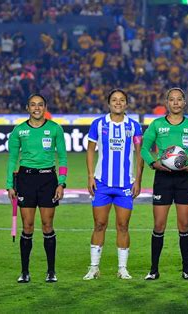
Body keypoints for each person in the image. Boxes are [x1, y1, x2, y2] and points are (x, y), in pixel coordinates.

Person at [141, 87, 188, 280]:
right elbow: (145, 148)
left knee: (184, 225)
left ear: (184, 102)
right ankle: (154, 270)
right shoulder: (157, 125)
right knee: (159, 224)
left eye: (179, 99)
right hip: (163, 178)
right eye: (172, 99)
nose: (176, 103)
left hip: (184, 178)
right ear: (167, 103)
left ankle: (186, 270)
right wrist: (154, 164)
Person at [83, 89, 144, 281]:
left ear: (126, 104)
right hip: (102, 183)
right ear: (109, 103)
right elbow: (90, 151)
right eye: (114, 100)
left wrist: (138, 181)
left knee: (123, 226)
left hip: (125, 185)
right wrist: (91, 176)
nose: (118, 103)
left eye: (122, 100)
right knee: (99, 224)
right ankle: (94, 268)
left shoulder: (134, 126)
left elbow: (139, 154)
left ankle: (122, 269)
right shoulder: (98, 124)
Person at [6, 94, 67, 283]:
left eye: (40, 105)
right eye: (33, 105)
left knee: (47, 226)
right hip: (25, 180)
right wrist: (10, 185)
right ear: (27, 108)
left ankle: (51, 271)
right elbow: (12, 160)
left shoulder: (55, 129)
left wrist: (61, 182)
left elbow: (63, 159)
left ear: (45, 107)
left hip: (48, 179)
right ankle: (25, 272)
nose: (36, 108)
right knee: (28, 226)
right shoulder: (19, 131)